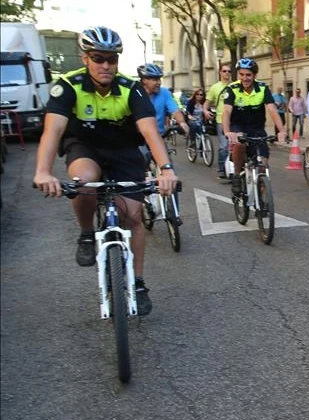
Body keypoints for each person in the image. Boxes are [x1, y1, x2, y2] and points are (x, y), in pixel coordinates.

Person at [33, 26, 178, 316]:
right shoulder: (68, 85)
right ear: (85, 58)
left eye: (112, 59)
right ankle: (87, 232)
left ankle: (137, 283)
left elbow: (149, 131)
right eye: (98, 58)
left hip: (124, 151)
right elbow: (53, 131)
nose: (106, 65)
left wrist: (166, 169)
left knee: (133, 216)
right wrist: (43, 171)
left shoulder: (131, 88)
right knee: (84, 182)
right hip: (85, 147)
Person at [221, 58, 287, 197]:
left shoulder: (262, 88)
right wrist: (227, 131)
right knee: (239, 144)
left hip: (257, 128)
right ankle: (237, 176)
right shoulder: (232, 89)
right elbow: (226, 112)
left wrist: (281, 131)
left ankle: (261, 200)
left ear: (254, 75)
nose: (245, 78)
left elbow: (272, 110)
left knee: (263, 165)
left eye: (248, 75)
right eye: (242, 74)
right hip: (237, 126)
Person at [136, 63, 190, 137]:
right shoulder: (135, 93)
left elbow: (175, 110)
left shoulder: (164, 93)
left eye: (159, 79)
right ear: (145, 80)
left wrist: (182, 123)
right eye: (155, 79)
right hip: (138, 139)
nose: (159, 83)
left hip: (159, 137)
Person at [205, 64, 233, 179]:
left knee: (235, 146)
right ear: (220, 73)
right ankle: (222, 170)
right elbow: (206, 104)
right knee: (224, 146)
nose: (227, 73)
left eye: (229, 71)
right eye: (224, 71)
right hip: (221, 120)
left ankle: (233, 169)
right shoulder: (215, 88)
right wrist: (205, 111)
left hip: (234, 120)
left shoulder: (235, 86)